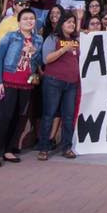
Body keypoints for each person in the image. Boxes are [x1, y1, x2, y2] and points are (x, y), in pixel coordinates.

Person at [0, 9, 43, 168]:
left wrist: (34, 53)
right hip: (8, 81)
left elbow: (39, 61)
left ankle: (8, 150)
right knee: (5, 117)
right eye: (25, 18)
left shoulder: (38, 39)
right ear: (19, 22)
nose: (29, 21)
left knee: (18, 118)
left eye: (31, 18)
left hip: (26, 84)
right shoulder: (11, 36)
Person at [38, 13, 80, 160]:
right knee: (49, 115)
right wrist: (63, 50)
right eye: (68, 22)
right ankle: (43, 148)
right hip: (54, 81)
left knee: (68, 117)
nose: (71, 25)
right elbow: (46, 59)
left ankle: (66, 147)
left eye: (73, 23)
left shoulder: (76, 40)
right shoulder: (52, 38)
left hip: (72, 83)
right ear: (62, 23)